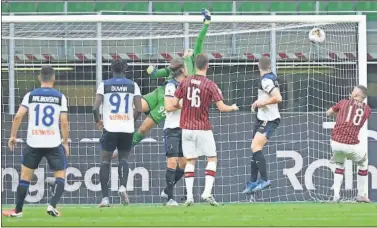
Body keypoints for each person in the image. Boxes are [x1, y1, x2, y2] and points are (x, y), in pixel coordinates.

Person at [130, 8, 212, 147]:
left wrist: (206, 23)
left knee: (144, 128)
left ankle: (127, 147)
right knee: (134, 108)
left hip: (167, 102)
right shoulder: (174, 68)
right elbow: (156, 74)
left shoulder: (192, 73)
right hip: (157, 94)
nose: (191, 52)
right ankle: (119, 133)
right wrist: (150, 69)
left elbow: (199, 41)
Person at [2, 66, 69, 217]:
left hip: (33, 142)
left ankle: (18, 211)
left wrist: (13, 136)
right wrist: (65, 142)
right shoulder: (60, 97)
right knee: (60, 176)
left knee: (25, 177)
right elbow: (64, 122)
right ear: (53, 79)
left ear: (39, 78)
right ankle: (52, 205)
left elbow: (18, 116)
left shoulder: (30, 95)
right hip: (53, 142)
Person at [172, 54, 238, 206]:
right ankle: (207, 193)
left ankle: (189, 197)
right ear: (207, 66)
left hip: (186, 128)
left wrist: (187, 104)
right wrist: (232, 107)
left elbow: (175, 103)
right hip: (202, 127)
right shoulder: (210, 85)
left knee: (190, 160)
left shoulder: (185, 81)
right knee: (212, 158)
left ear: (195, 65)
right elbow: (221, 107)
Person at [93, 59, 142, 207]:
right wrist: (130, 120)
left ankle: (105, 198)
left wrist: (98, 121)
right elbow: (139, 109)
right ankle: (122, 187)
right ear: (125, 69)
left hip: (110, 127)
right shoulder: (133, 85)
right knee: (124, 159)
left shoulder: (104, 85)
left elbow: (95, 108)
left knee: (105, 161)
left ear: (111, 69)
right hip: (127, 128)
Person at [242, 56, 282, 194]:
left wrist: (262, 103)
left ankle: (264, 179)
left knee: (255, 146)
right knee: (255, 149)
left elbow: (278, 97)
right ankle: (253, 181)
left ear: (258, 66)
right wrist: (258, 102)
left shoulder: (266, 80)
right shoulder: (271, 77)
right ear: (270, 66)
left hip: (269, 119)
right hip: (261, 117)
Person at [327, 85, 371, 203]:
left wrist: (339, 113)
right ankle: (361, 195)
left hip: (335, 142)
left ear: (356, 95)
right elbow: (355, 119)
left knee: (340, 164)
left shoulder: (343, 103)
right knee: (364, 162)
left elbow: (328, 113)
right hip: (350, 145)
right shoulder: (368, 109)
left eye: (353, 91)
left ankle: (336, 196)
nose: (351, 92)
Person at [160, 58, 188, 206]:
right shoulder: (171, 85)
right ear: (182, 70)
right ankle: (170, 198)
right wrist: (185, 104)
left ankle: (166, 190)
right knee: (172, 161)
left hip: (186, 128)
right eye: (186, 67)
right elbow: (169, 107)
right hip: (172, 128)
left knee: (183, 164)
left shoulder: (187, 85)